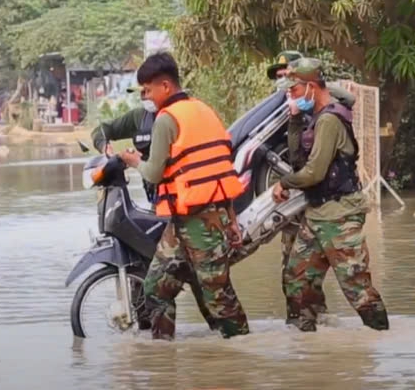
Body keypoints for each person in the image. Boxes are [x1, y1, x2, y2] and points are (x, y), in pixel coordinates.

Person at [118, 52, 249, 340]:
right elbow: (218, 167)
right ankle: (164, 355)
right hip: (190, 220)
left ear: (165, 86)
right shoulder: (204, 109)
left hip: (201, 221)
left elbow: (152, 174)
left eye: (148, 90)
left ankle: (242, 351)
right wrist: (232, 219)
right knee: (156, 287)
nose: (146, 96)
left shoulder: (166, 120)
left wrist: (131, 160)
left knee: (217, 295)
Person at [272, 58, 389, 332]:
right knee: (296, 281)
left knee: (358, 290)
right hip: (316, 216)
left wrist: (284, 183)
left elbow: (313, 173)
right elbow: (298, 159)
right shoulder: (314, 117)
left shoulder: (329, 120)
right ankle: (310, 347)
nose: (291, 96)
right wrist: (294, 119)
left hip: (340, 217)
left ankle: (383, 341)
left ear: (311, 86)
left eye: (294, 91)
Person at [266, 51, 357, 325]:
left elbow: (303, 163)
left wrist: (304, 102)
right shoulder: (287, 107)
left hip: (325, 201)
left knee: (349, 282)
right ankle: (306, 330)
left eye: (288, 78)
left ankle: (314, 322)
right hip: (301, 199)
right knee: (296, 274)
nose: (283, 85)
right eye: (280, 78)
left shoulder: (322, 112)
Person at [91, 86, 159, 203]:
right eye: (141, 93)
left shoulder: (177, 115)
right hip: (157, 197)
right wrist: (104, 147)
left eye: (147, 91)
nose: (144, 97)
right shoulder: (138, 117)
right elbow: (101, 130)